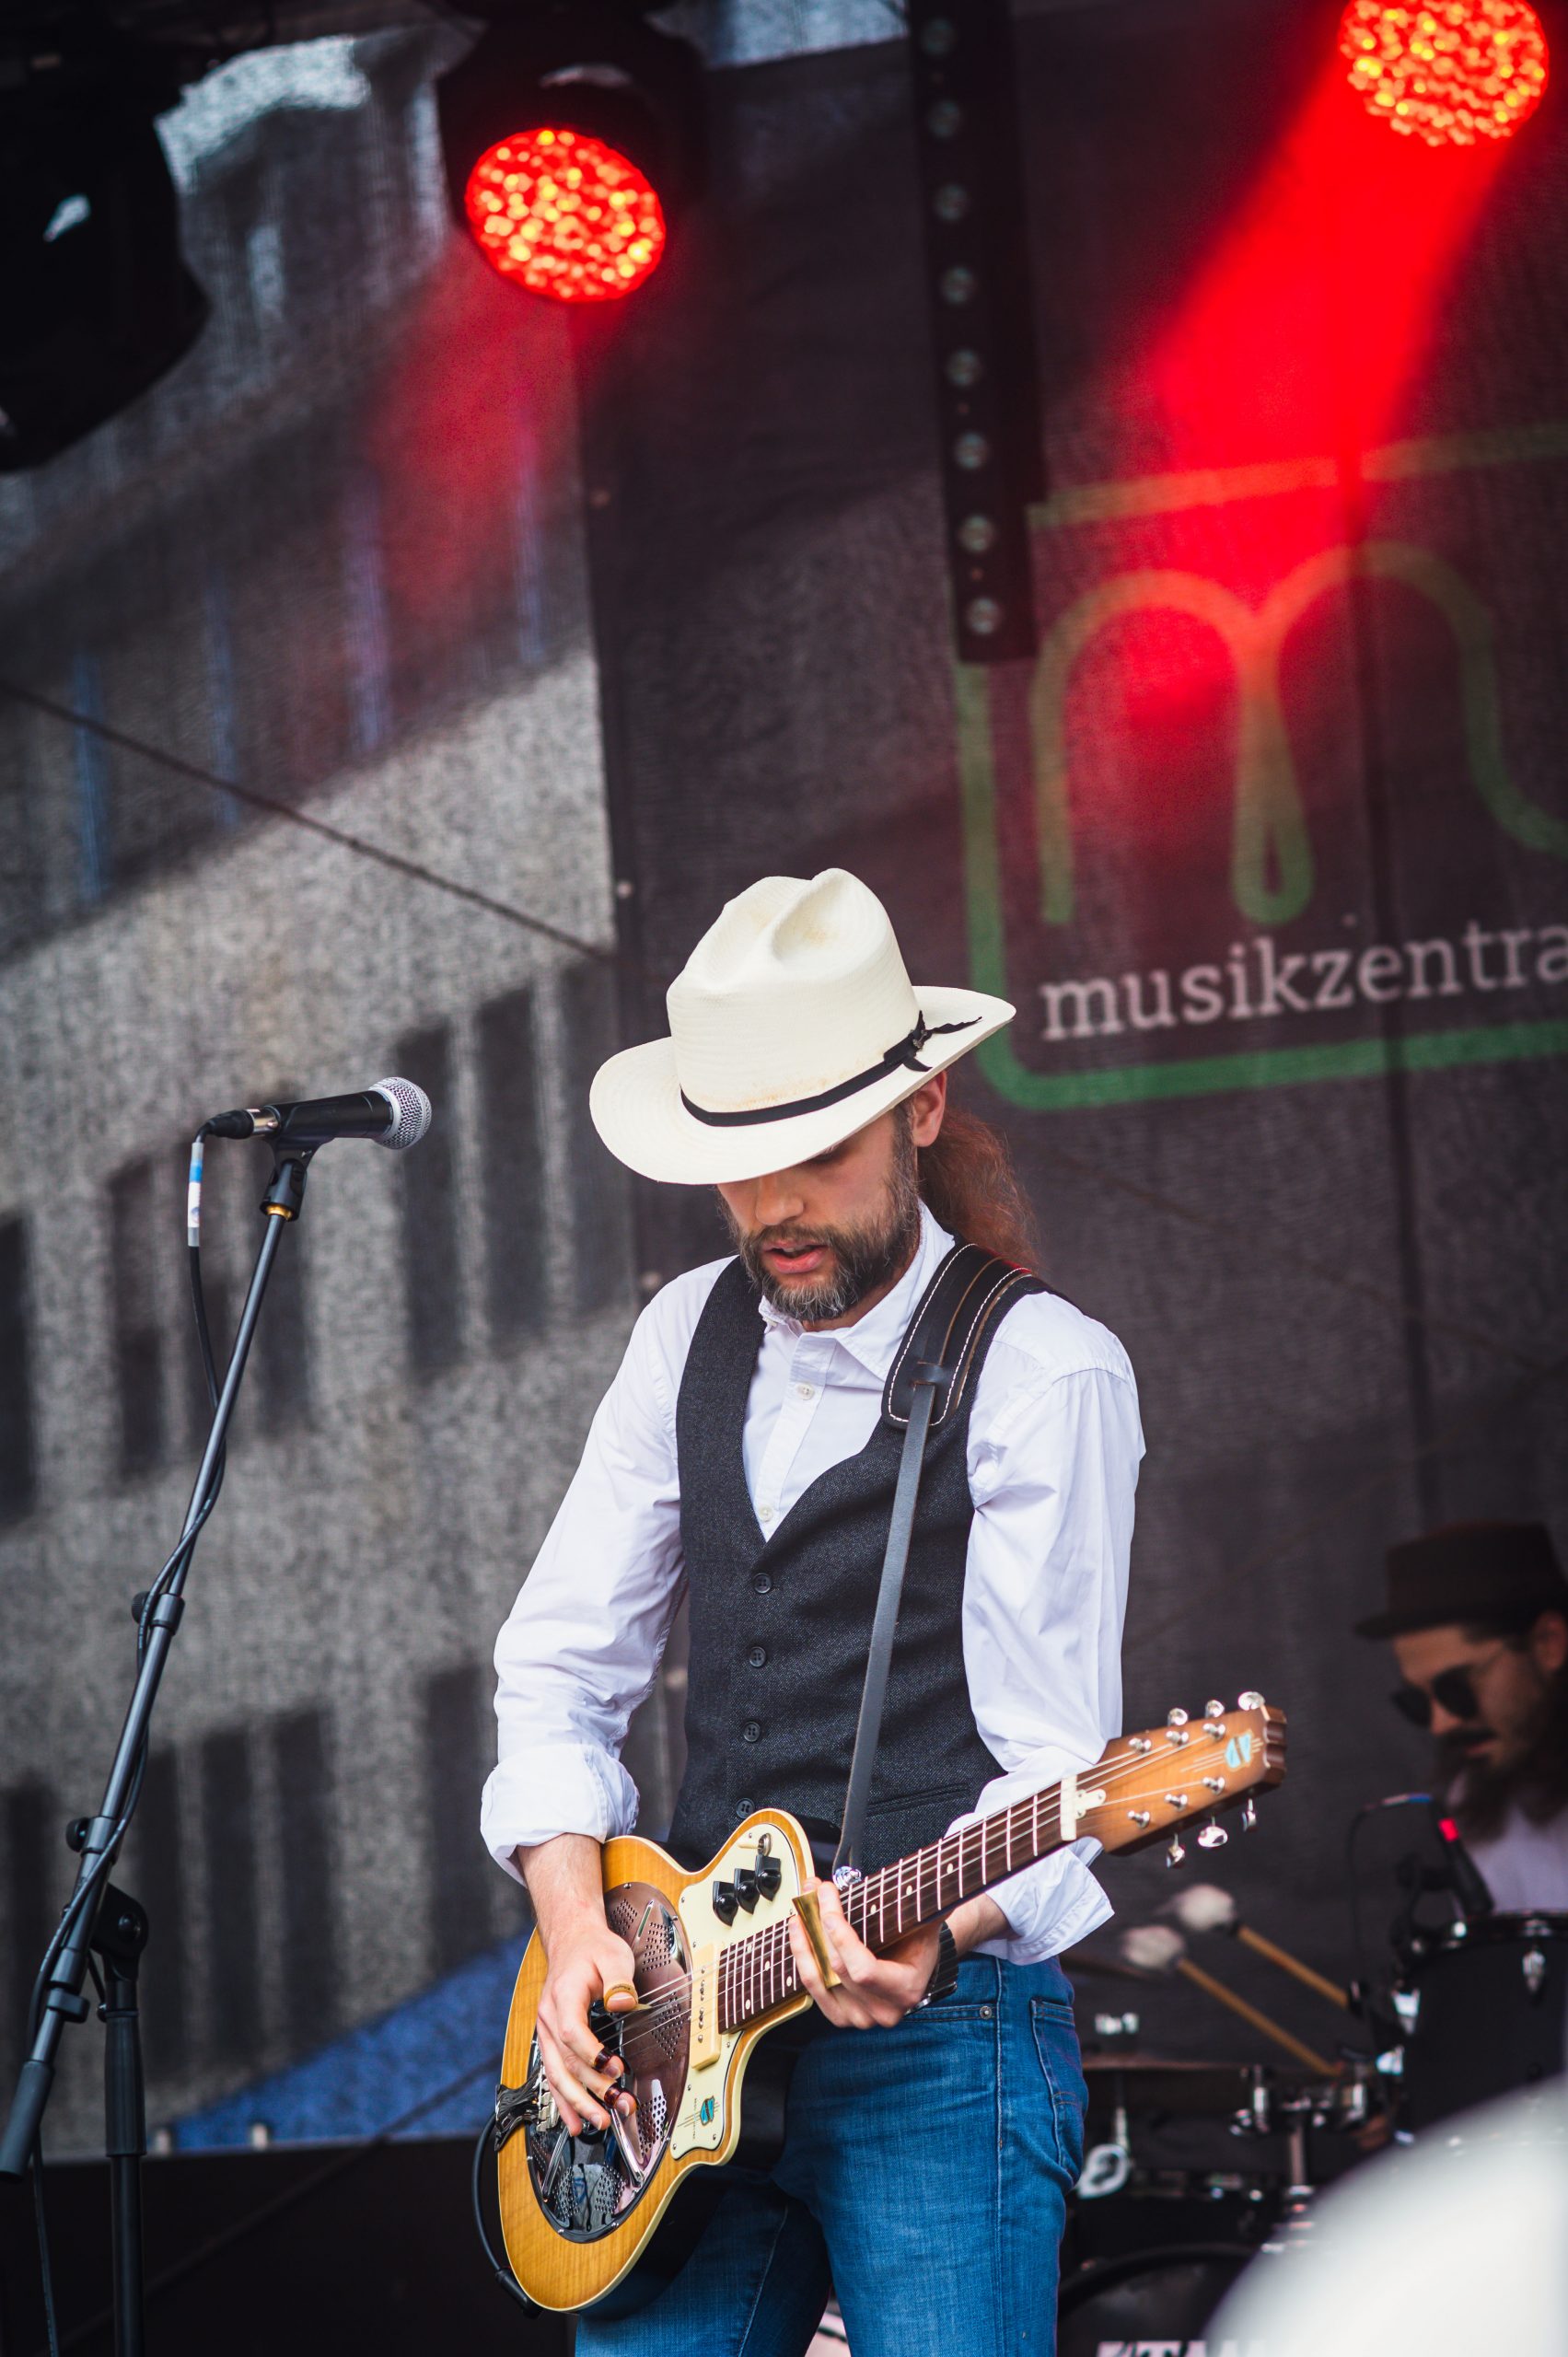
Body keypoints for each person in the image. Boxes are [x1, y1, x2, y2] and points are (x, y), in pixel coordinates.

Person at [481, 867, 1143, 2356]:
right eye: (737, 1166)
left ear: (919, 1108)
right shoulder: (681, 1336)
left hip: (944, 2038)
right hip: (683, 2029)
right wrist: (576, 1925)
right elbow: (557, 1663)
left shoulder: (1045, 1373)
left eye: (817, 1154)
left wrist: (941, 1927)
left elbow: (1058, 1768)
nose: (773, 1209)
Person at [1355, 1520, 1568, 1910]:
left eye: (1458, 1688)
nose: (1441, 1724)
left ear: (1548, 1643)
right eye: (1418, 1700)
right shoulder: (1475, 1795)